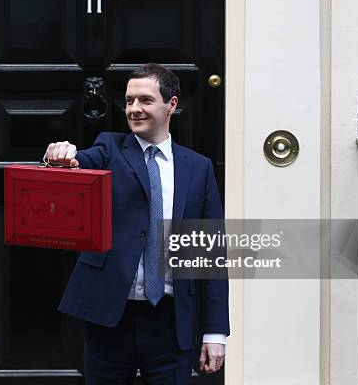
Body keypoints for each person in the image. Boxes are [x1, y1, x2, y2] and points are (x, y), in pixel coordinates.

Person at [45, 63, 229, 384]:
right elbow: (79, 162)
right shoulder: (110, 148)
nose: (134, 109)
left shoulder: (198, 168)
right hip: (110, 317)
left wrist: (215, 332)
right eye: (129, 101)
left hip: (171, 321)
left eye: (145, 100)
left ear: (171, 104)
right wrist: (60, 158)